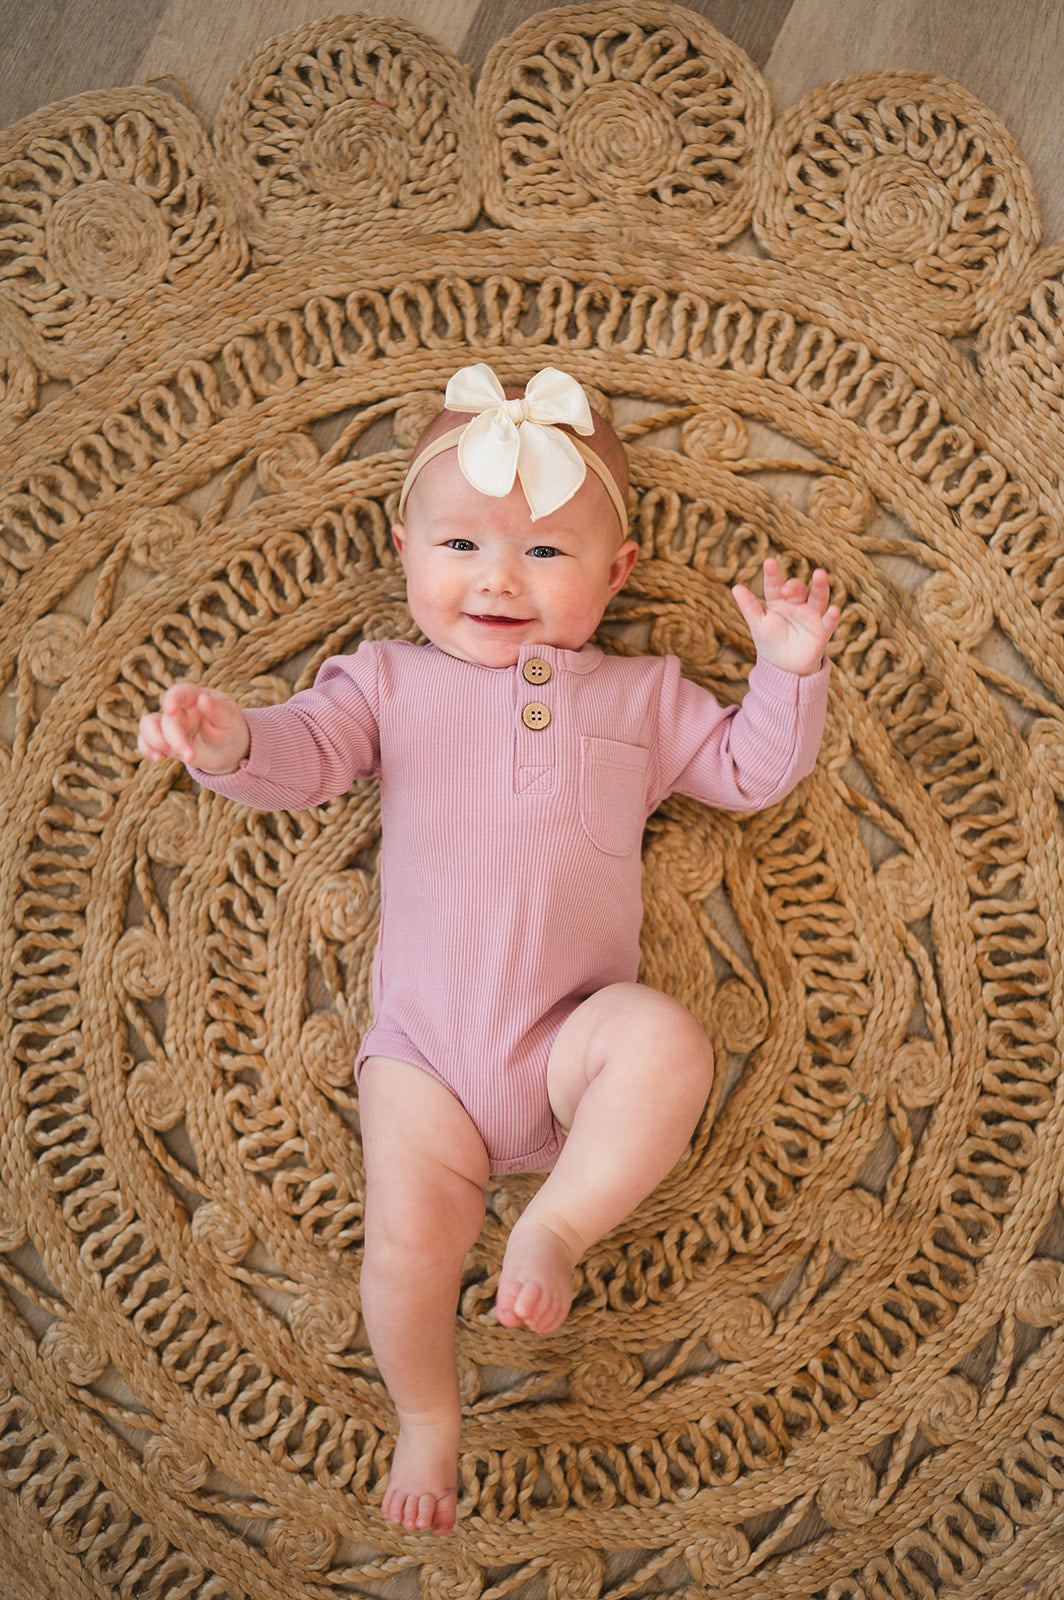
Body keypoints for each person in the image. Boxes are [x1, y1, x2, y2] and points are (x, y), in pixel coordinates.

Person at [138, 363, 841, 1537]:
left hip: (573, 1035)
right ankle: (427, 1413)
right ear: (402, 544)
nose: (498, 580)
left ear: (615, 575)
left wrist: (786, 669)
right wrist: (228, 738)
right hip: (427, 1062)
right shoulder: (385, 681)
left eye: (545, 555)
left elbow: (748, 773)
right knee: (407, 1243)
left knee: (666, 1042)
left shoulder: (645, 694)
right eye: (460, 545)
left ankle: (557, 1222)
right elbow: (303, 759)